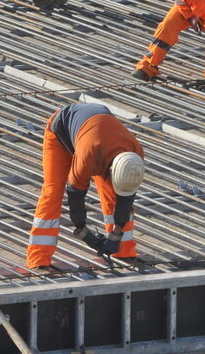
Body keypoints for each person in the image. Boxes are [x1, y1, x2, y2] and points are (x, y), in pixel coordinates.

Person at [27, 102, 146, 272]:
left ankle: (123, 251)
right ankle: (39, 258)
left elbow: (126, 197)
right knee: (53, 192)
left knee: (112, 194)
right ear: (112, 170)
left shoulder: (135, 156)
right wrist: (83, 231)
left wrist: (116, 235)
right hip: (61, 133)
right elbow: (75, 194)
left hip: (97, 136)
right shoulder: (88, 156)